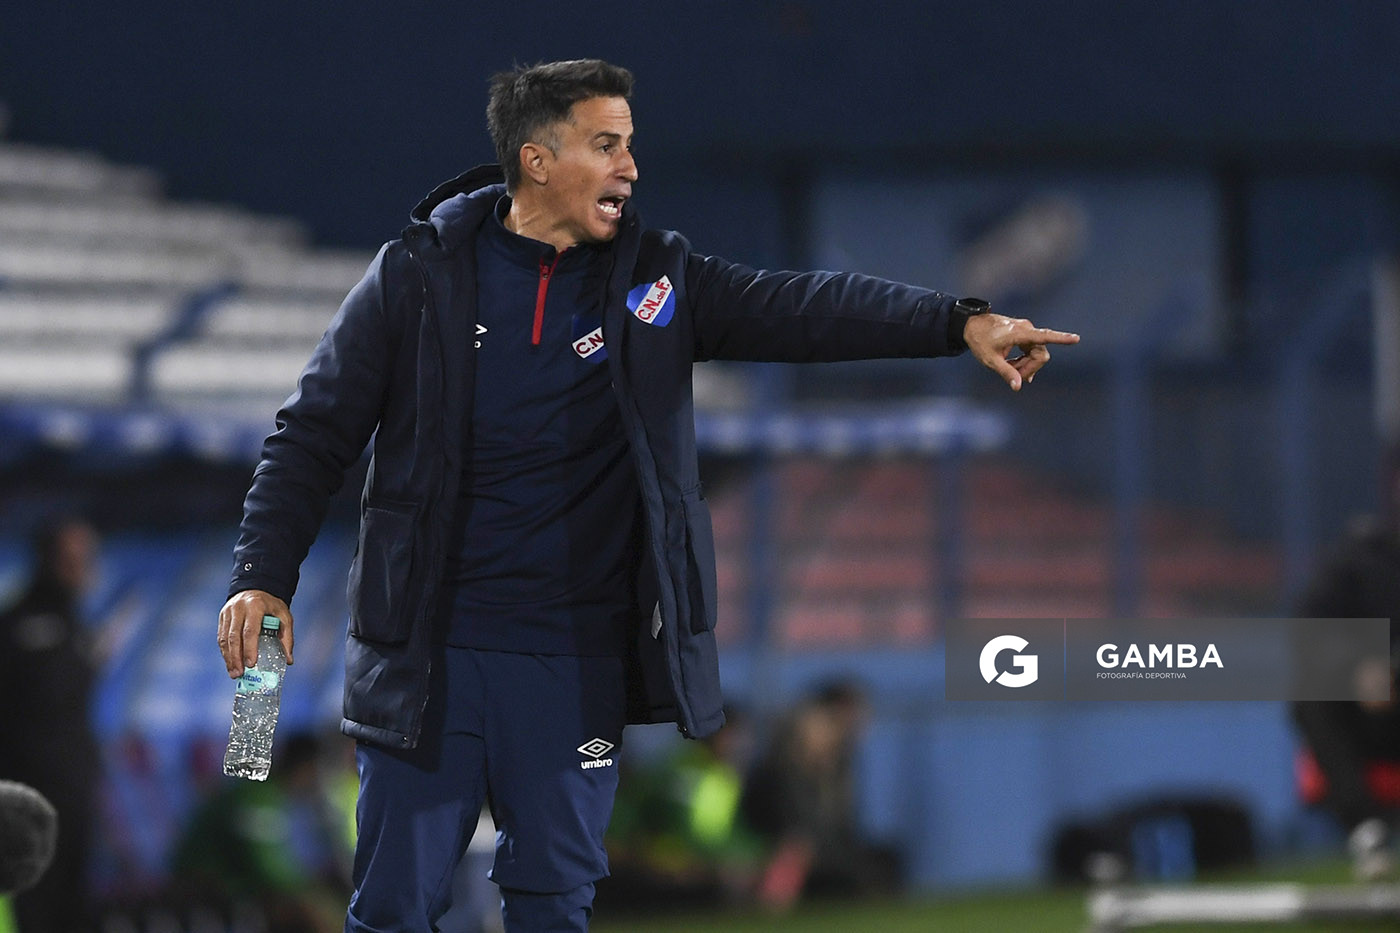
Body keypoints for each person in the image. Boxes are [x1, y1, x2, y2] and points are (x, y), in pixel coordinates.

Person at [214, 59, 1080, 931]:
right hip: (427, 659)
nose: (630, 166)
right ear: (537, 161)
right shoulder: (416, 275)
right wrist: (262, 571)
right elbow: (313, 431)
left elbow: (806, 308)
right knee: (396, 907)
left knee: (554, 903)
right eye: (606, 144)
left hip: (575, 662)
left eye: (630, 144)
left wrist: (957, 319)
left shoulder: (657, 281)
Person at [1291, 448, 1400, 880]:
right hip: (1375, 719)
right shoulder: (1361, 559)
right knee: (1313, 694)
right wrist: (1362, 666)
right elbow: (1309, 628)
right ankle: (1367, 830)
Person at [0, 517, 101, 933]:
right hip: (26, 800)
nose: (81, 569)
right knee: (35, 907)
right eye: (71, 559)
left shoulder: (76, 625)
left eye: (87, 559)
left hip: (74, 798)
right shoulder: (16, 627)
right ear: (46, 560)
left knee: (71, 908)